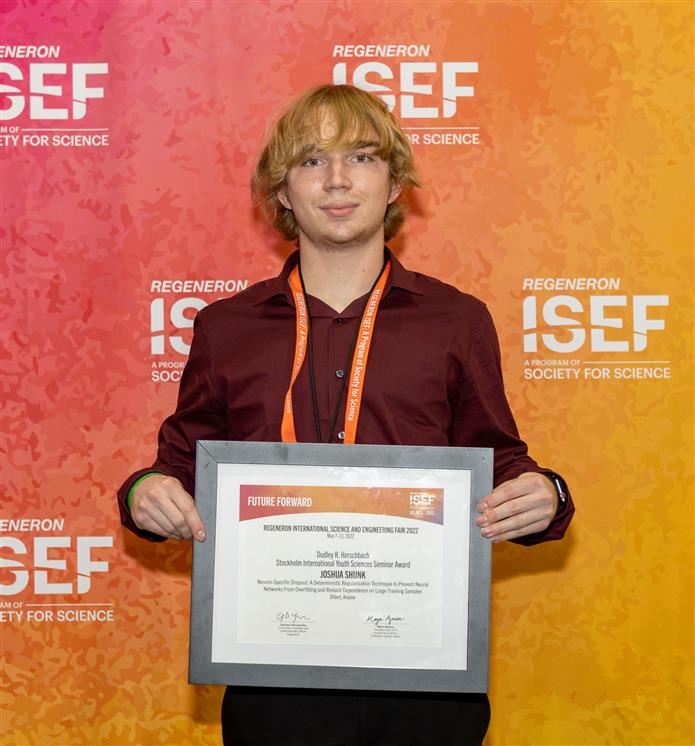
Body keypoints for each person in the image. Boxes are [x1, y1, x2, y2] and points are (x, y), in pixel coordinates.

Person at [117, 84, 574, 746]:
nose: (336, 180)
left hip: (425, 675)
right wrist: (144, 493)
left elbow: (499, 461)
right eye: (310, 160)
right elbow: (179, 467)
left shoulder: (457, 320)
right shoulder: (225, 327)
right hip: (273, 676)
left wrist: (545, 494)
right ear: (281, 191)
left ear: (393, 185)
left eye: (361, 157)